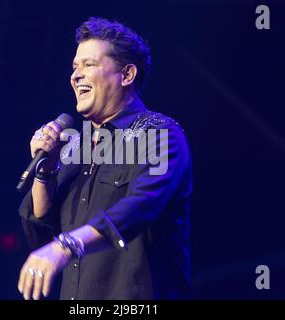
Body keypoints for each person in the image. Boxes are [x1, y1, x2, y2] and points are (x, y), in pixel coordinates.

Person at [17, 17, 193, 300]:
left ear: (126, 75)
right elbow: (42, 220)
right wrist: (46, 168)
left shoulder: (159, 134)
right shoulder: (75, 146)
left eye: (89, 65)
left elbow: (140, 207)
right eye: (75, 67)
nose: (76, 75)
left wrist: (66, 245)